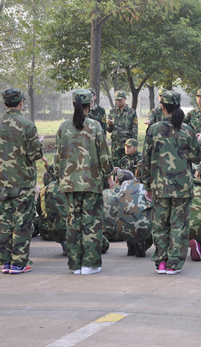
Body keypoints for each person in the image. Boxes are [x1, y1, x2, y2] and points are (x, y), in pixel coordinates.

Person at [142, 90, 201, 275]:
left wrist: (147, 185)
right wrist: (199, 141)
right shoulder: (187, 130)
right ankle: (173, 263)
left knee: (160, 225)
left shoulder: (153, 129)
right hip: (182, 188)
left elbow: (145, 159)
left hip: (159, 187)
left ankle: (161, 262)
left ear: (162, 107)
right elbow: (196, 157)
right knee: (179, 226)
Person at [54, 89, 114, 275]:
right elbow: (104, 155)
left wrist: (59, 177)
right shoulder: (95, 126)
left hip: (70, 183)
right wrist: (109, 177)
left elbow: (58, 157)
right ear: (91, 105)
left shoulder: (64, 127)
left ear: (73, 104)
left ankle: (75, 265)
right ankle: (90, 264)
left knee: (73, 224)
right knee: (92, 224)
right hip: (91, 183)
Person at [0, 88, 43, 274]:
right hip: (23, 182)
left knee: (2, 222)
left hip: (0, 182)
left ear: (4, 104)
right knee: (23, 222)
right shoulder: (28, 125)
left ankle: (5, 263)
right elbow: (35, 154)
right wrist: (38, 144)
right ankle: (19, 263)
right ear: (21, 103)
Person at [116, 163, 153, 258]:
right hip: (143, 229)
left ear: (136, 172)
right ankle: (143, 246)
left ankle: (131, 247)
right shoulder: (151, 186)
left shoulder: (125, 184)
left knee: (128, 214)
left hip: (121, 229)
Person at [107, 90, 138, 167]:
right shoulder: (112, 112)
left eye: (120, 99)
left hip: (127, 145)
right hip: (115, 145)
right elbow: (109, 130)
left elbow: (135, 129)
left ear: (125, 98)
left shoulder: (132, 112)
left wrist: (133, 145)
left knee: (127, 167)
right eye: (117, 100)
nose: (118, 101)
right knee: (116, 167)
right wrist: (110, 125)